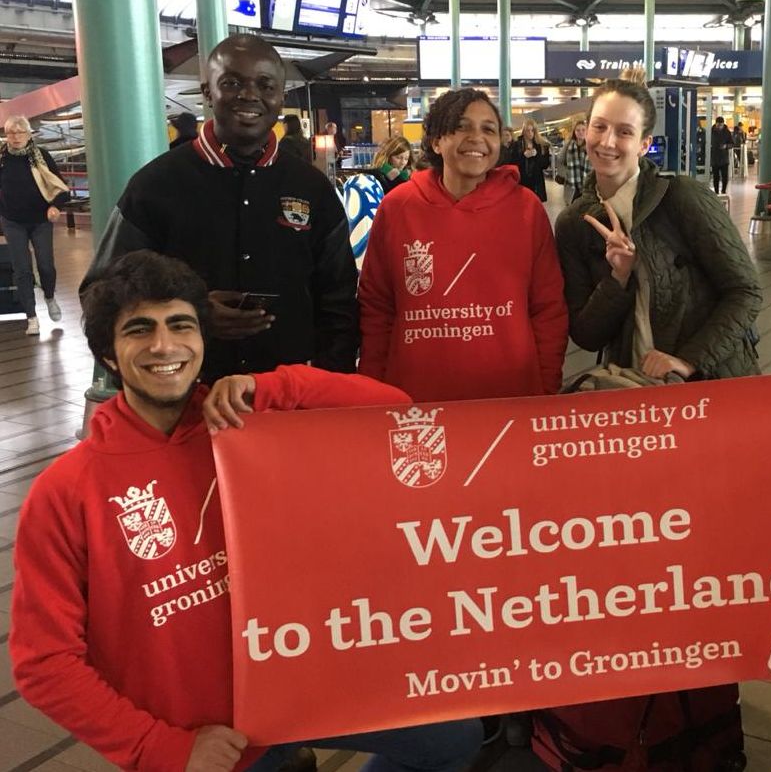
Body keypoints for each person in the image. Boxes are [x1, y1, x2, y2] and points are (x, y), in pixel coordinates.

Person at [9, 249, 482, 772]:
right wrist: (161, 747)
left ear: (202, 340)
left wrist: (276, 385)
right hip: (210, 735)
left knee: (452, 738)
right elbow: (45, 664)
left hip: (306, 679)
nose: (164, 345)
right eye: (139, 330)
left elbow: (396, 409)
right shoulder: (67, 492)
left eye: (180, 325)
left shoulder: (244, 425)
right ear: (108, 356)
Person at [83, 34, 359, 383]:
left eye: (265, 84)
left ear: (280, 96)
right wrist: (191, 314)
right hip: (185, 396)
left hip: (288, 396)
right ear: (206, 92)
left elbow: (339, 299)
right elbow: (100, 295)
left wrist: (333, 384)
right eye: (231, 83)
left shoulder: (312, 188)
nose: (249, 95)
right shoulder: (155, 185)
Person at [358, 87, 567, 402]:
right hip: (415, 400)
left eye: (489, 129)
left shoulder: (526, 209)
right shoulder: (397, 207)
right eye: (462, 127)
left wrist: (546, 386)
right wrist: (373, 390)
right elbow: (377, 309)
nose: (476, 137)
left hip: (511, 395)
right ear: (436, 141)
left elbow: (548, 308)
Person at [555, 68, 762, 383]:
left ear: (643, 144)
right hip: (635, 387)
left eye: (625, 132)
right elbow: (586, 335)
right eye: (600, 127)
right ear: (586, 131)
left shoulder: (680, 196)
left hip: (710, 382)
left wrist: (688, 361)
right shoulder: (575, 223)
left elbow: (745, 291)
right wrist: (618, 278)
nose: (607, 142)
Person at [0, 114, 69, 335]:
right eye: (12, 132)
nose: (16, 136)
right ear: (6, 135)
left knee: (46, 266)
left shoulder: (42, 156)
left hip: (40, 220)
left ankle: (49, 297)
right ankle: (31, 317)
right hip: (12, 222)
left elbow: (60, 187)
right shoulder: (2, 158)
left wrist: (55, 206)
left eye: (21, 132)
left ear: (29, 134)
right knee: (22, 270)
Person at [512, 119, 549, 202]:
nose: (530, 133)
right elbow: (513, 164)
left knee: (536, 209)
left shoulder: (541, 145)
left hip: (536, 184)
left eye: (532, 130)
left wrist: (537, 156)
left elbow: (545, 164)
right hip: (522, 182)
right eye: (528, 130)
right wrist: (523, 156)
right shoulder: (517, 145)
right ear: (524, 131)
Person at [559, 118, 589, 205]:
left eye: (583, 130)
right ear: (574, 132)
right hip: (572, 185)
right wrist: (566, 174)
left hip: (587, 185)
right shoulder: (568, 145)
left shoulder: (591, 146)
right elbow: (560, 161)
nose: (581, 132)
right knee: (572, 211)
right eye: (578, 130)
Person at [709, 116, 733, 194]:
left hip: (724, 158)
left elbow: (732, 144)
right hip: (714, 158)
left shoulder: (727, 132)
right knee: (715, 177)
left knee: (724, 177)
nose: (719, 127)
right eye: (718, 125)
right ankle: (716, 192)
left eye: (721, 125)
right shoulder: (711, 132)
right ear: (715, 124)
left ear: (723, 124)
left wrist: (726, 146)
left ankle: (723, 190)